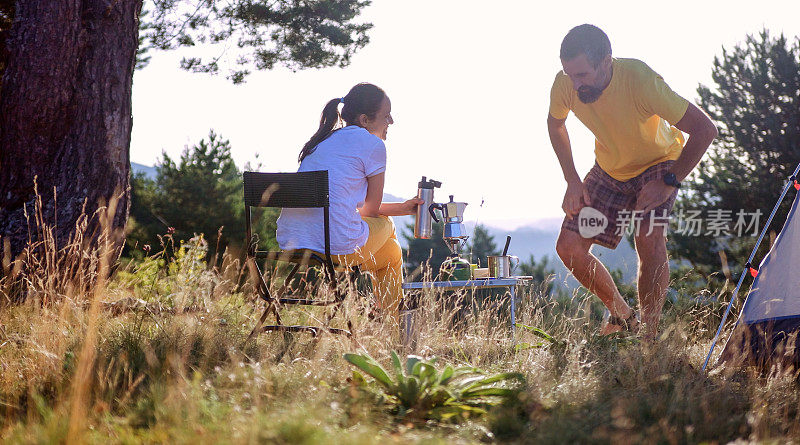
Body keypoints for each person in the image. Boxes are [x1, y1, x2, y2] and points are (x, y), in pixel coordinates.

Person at [547, 24, 718, 338]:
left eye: (582, 75)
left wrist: (670, 180)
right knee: (569, 247)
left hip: (659, 163)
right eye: (569, 74)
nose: (575, 83)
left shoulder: (640, 80)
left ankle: (649, 337)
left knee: (648, 238)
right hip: (610, 168)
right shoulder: (565, 84)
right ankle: (623, 315)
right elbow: (555, 124)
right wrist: (572, 180)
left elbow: (706, 130)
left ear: (606, 61)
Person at [276, 82, 421, 324]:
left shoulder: (322, 142)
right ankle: (391, 329)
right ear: (365, 120)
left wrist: (404, 208)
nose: (391, 122)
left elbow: (354, 206)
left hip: (293, 243)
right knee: (387, 226)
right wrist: (400, 211)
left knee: (392, 253)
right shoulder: (374, 145)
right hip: (337, 250)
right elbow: (372, 211)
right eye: (386, 116)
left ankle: (390, 327)